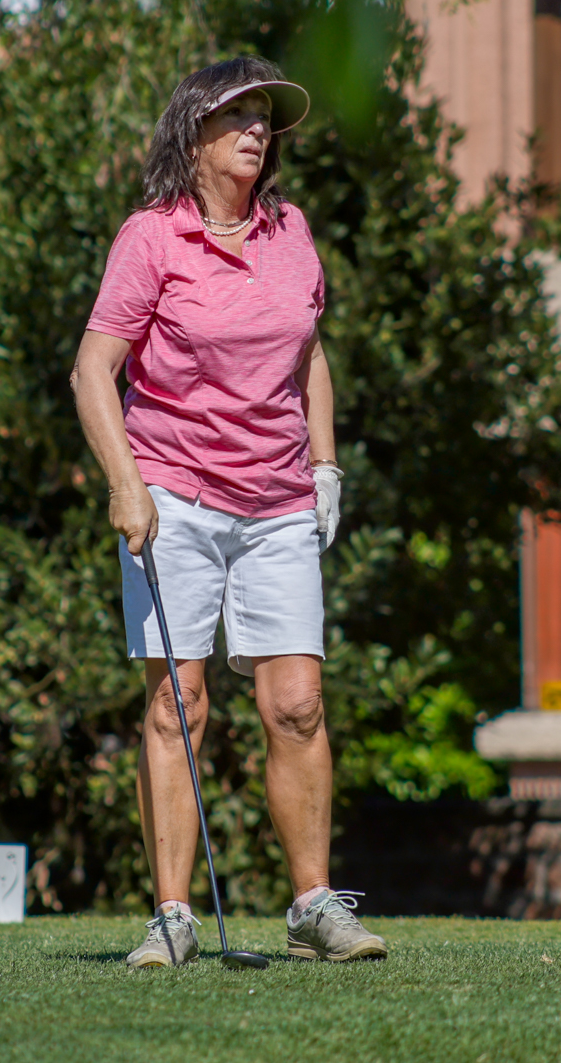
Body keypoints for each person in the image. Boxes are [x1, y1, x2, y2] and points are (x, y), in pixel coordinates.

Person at [72, 56, 387, 968]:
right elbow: (93, 369)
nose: (257, 128)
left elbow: (309, 352)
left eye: (265, 117)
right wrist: (125, 483)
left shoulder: (292, 232)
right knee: (179, 705)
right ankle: (172, 915)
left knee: (298, 704)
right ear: (194, 132)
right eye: (236, 115)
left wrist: (325, 464)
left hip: (278, 498)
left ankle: (313, 906)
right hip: (174, 493)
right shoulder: (152, 237)